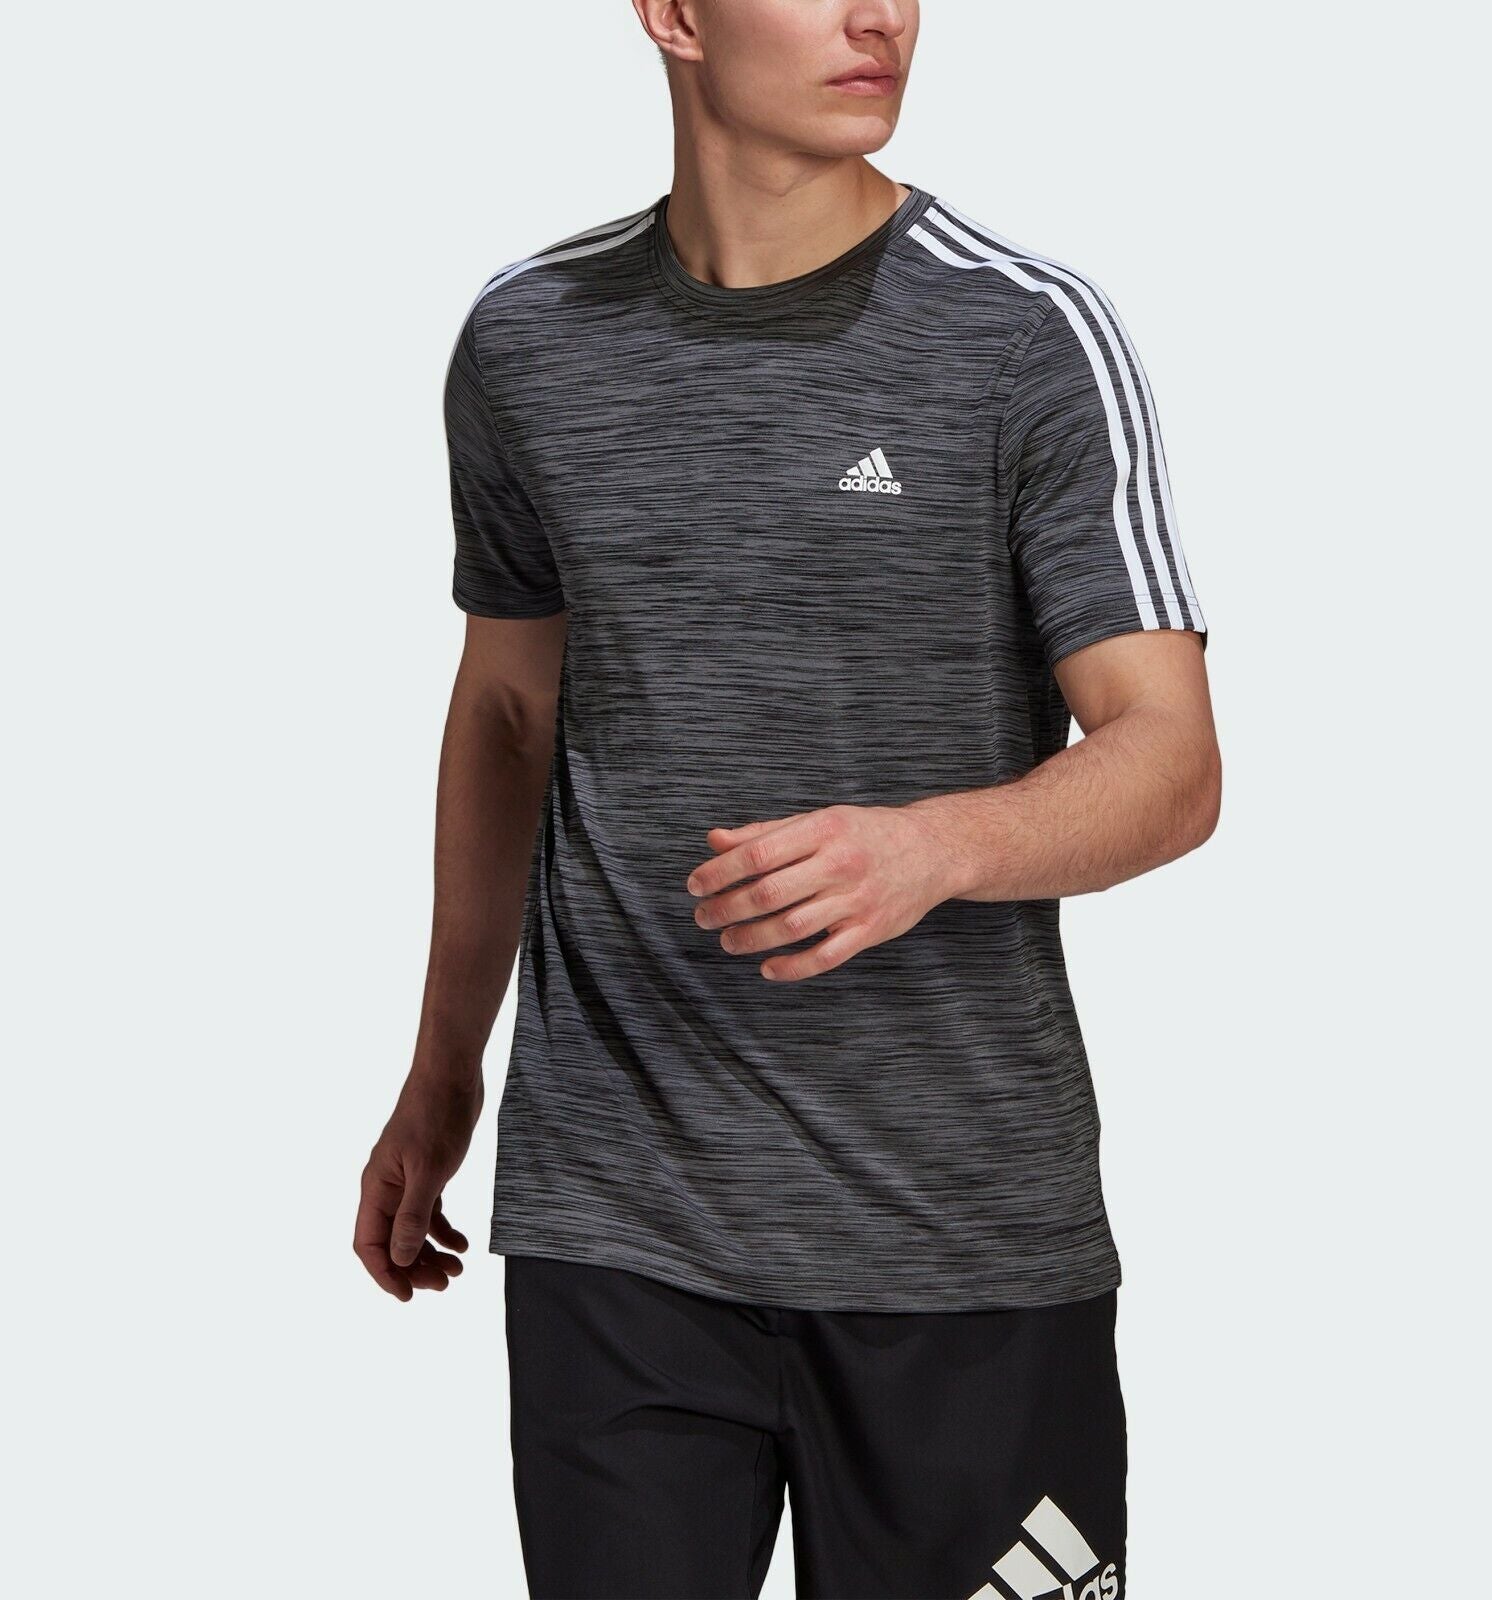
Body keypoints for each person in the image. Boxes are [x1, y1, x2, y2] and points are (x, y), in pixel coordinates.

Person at [355, 2, 1220, 1594]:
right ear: (675, 14)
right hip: (617, 1228)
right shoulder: (528, 340)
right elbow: (506, 711)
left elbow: (1170, 761)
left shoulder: (1026, 334)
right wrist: (439, 1073)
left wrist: (936, 847)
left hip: (961, 1251)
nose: (879, 14)